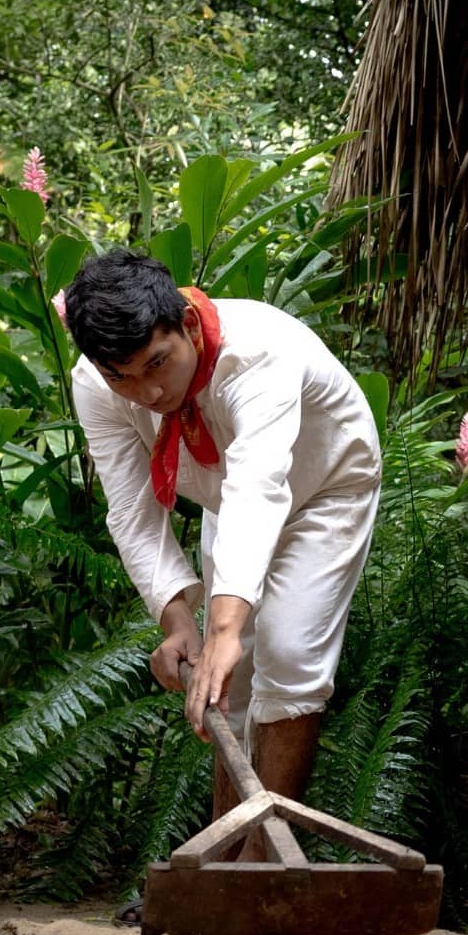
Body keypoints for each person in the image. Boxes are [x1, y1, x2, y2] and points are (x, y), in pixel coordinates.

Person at [64, 248, 381, 864]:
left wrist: (228, 625)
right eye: (122, 376)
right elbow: (131, 507)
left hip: (326, 488)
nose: (148, 391)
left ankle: (262, 868)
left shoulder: (257, 354)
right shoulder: (95, 384)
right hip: (227, 497)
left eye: (159, 364)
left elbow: (260, 486)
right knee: (223, 678)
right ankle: (219, 861)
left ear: (186, 323)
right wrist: (180, 622)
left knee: (287, 652)